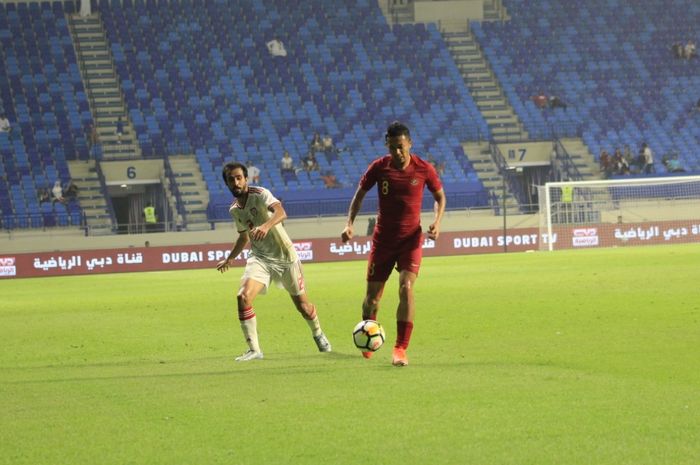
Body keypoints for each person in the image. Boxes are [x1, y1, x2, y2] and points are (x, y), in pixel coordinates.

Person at [340, 122, 446, 367]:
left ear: (409, 143)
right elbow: (359, 195)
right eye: (392, 148)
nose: (397, 153)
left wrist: (437, 222)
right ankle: (368, 334)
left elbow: (440, 197)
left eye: (400, 147)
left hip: (411, 240)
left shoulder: (424, 169)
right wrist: (349, 224)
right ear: (387, 145)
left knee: (406, 287)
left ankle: (400, 348)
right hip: (383, 241)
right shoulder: (379, 167)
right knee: (372, 300)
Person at [216, 162, 331, 361]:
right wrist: (230, 258)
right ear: (226, 183)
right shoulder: (234, 210)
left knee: (303, 307)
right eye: (231, 180)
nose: (235, 182)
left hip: (285, 258)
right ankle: (254, 350)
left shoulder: (260, 193)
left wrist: (266, 226)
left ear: (245, 179)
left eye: (238, 178)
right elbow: (244, 237)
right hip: (260, 258)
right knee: (243, 297)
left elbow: (281, 212)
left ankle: (318, 333)